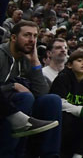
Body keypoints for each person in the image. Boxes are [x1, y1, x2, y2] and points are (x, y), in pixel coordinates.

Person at [1, 21, 63, 157]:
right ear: (13, 38)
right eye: (27, 35)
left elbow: (42, 93)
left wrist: (35, 62)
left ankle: (51, 155)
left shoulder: (27, 59)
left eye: (35, 36)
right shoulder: (1, 55)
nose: (32, 40)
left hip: (21, 103)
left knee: (52, 100)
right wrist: (12, 86)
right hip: (6, 105)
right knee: (25, 98)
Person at [51, 48, 83, 158]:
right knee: (67, 118)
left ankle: (78, 154)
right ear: (70, 65)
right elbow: (58, 103)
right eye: (79, 61)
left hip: (80, 117)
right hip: (62, 116)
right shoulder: (62, 78)